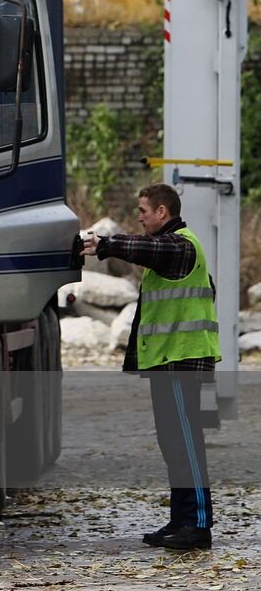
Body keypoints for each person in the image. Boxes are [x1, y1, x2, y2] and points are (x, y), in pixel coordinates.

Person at [81, 183, 221, 551]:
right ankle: (181, 521)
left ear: (163, 212)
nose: (140, 217)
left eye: (144, 210)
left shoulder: (179, 245)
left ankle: (199, 525)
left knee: (186, 442)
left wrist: (105, 244)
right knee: (172, 442)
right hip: (169, 358)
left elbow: (148, 248)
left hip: (183, 358)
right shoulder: (174, 251)